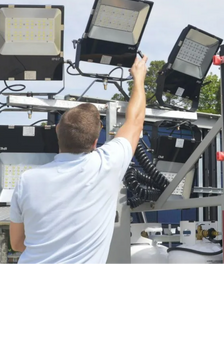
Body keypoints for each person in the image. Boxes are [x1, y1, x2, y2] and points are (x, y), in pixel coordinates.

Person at [9, 53, 148, 267]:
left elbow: (17, 244)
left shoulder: (26, 180)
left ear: (57, 131)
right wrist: (138, 78)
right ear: (95, 142)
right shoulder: (106, 165)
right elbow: (136, 121)